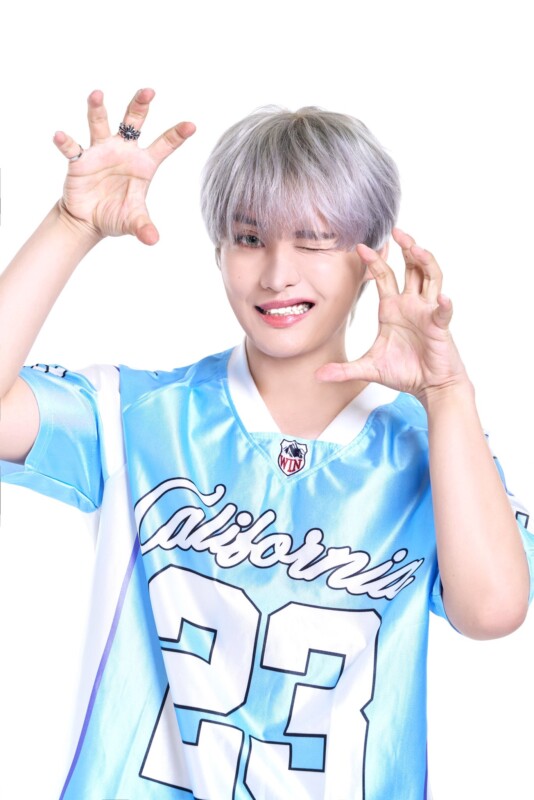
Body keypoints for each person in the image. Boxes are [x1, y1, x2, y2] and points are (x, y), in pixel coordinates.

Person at [0, 88, 532, 800]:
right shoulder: (140, 416)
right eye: (250, 239)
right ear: (220, 251)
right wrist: (70, 225)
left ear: (370, 255)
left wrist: (447, 393)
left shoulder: (432, 446)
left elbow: (494, 612)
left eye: (313, 240)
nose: (278, 274)